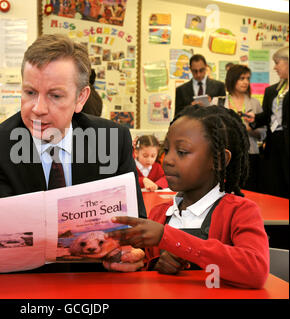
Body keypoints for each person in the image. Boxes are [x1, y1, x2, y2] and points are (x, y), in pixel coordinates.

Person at [0, 34, 146, 272]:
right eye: (30, 92)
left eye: (55, 96)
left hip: (98, 283)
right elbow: (0, 245)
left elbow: (135, 227)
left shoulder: (112, 141)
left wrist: (130, 254)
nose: (38, 109)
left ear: (81, 98)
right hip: (24, 286)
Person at [105, 106, 270, 289]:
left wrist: (170, 238)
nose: (167, 160)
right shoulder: (160, 213)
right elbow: (150, 277)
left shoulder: (240, 211)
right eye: (166, 150)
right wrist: (139, 262)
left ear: (219, 160)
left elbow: (256, 270)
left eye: (182, 152)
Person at [212, 64, 266, 192]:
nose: (246, 82)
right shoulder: (218, 102)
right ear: (232, 79)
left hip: (250, 155)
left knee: (250, 193)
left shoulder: (254, 103)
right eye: (242, 78)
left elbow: (263, 133)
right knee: (223, 193)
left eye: (248, 78)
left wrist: (248, 129)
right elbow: (211, 130)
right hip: (225, 155)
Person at [246, 46, 289, 199]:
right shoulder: (272, 90)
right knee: (273, 184)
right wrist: (254, 119)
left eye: (278, 63)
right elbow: (267, 116)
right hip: (273, 143)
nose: (275, 67)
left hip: (287, 143)